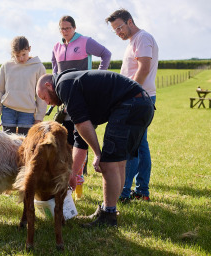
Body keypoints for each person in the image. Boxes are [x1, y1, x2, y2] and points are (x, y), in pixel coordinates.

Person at [36, 69, 154, 227]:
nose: (47, 103)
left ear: (49, 85)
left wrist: (98, 154)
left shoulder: (64, 85)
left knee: (108, 163)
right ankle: (108, 210)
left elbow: (81, 123)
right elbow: (80, 139)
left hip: (130, 104)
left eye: (44, 97)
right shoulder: (72, 82)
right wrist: (73, 173)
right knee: (118, 162)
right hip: (141, 104)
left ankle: (108, 216)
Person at [51, 15, 112, 192]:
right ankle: (70, 180)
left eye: (68, 28)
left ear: (75, 28)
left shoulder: (85, 42)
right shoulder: (56, 47)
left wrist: (98, 77)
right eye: (62, 29)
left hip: (83, 97)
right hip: (65, 99)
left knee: (81, 139)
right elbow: (55, 70)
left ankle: (78, 183)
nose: (65, 32)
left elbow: (106, 54)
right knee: (68, 140)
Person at [106, 9, 159, 202]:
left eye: (119, 27)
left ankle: (124, 192)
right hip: (137, 97)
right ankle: (142, 190)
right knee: (140, 145)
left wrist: (129, 92)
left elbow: (143, 67)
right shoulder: (133, 41)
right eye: (115, 30)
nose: (118, 32)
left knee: (133, 146)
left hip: (138, 98)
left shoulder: (142, 38)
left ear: (130, 21)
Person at [0, 36, 47, 136]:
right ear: (12, 53)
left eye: (24, 54)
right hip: (8, 110)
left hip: (27, 112)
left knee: (25, 146)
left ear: (29, 49)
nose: (21, 58)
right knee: (8, 146)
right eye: (17, 56)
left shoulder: (38, 67)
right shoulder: (6, 66)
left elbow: (42, 95)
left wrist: (39, 117)